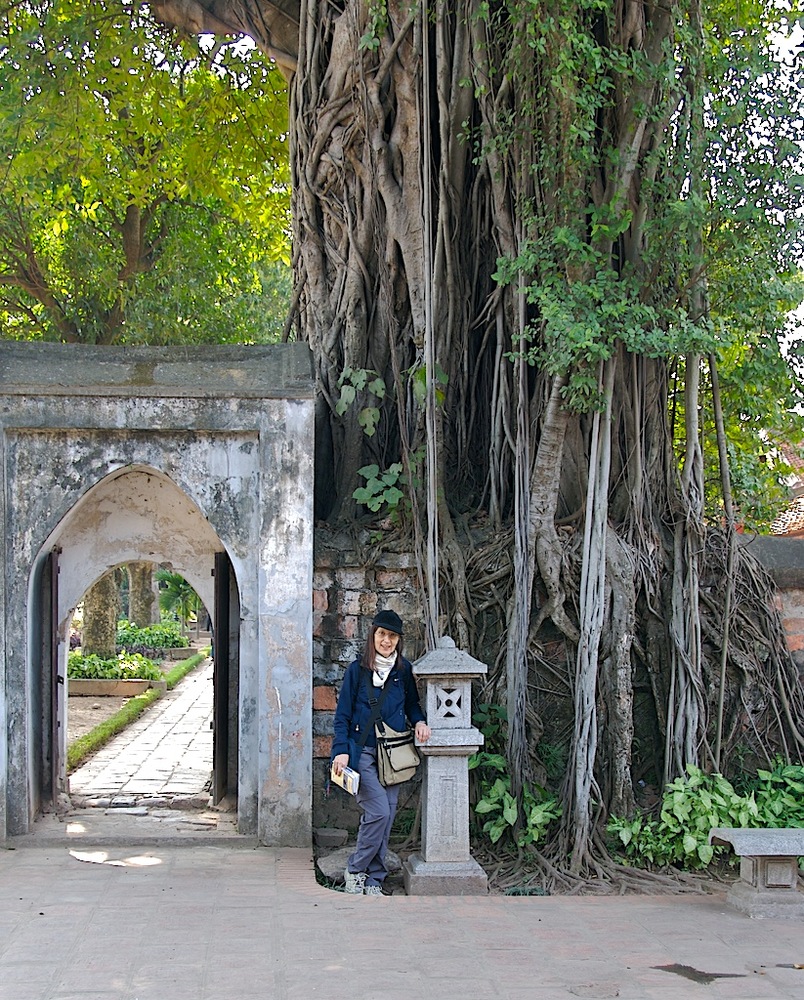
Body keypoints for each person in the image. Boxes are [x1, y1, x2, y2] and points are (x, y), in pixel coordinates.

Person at [331, 609, 431, 895]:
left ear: (398, 640)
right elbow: (343, 716)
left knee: (387, 815)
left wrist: (420, 721)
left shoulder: (403, 671)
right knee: (377, 812)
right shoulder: (356, 671)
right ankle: (355, 868)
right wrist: (341, 751)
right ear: (373, 636)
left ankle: (374, 877)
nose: (387, 641)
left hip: (394, 754)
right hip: (361, 751)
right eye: (382, 634)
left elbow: (412, 704)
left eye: (392, 636)